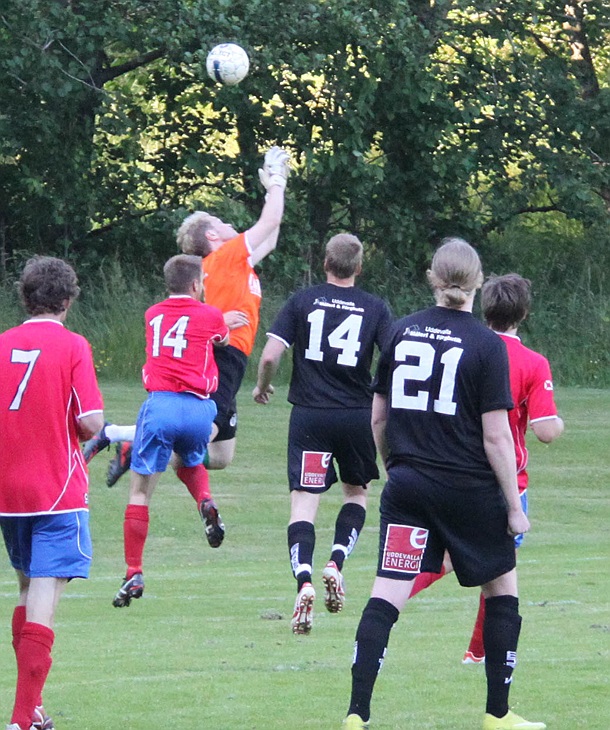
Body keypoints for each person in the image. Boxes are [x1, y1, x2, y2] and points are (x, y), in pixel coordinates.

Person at [342, 238, 547, 730]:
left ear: (432, 277)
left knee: (386, 594)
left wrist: (397, 468)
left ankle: (356, 713)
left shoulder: (400, 331)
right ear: (478, 281)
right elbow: (497, 437)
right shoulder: (487, 344)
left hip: (408, 486)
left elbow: (378, 418)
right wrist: (513, 507)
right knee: (502, 591)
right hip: (470, 490)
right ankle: (498, 714)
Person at [82, 146, 291, 543]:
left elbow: (272, 232)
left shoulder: (234, 261)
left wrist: (274, 192)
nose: (230, 225)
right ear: (213, 237)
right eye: (222, 222)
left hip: (231, 355)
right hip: (223, 354)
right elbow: (270, 221)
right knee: (198, 432)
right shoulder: (225, 257)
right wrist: (276, 181)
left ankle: (130, 442)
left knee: (220, 457)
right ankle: (124, 437)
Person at [407, 273, 565, 664]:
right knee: (497, 568)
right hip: (505, 480)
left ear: (484, 307)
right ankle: (472, 649)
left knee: (458, 558)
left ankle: (395, 602)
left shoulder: (465, 346)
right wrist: (558, 423)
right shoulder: (532, 362)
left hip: (455, 469)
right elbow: (545, 431)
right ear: (524, 314)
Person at [253, 234, 393, 634]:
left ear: (325, 263)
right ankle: (336, 561)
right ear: (359, 267)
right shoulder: (375, 307)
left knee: (304, 502)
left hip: (310, 418)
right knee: (356, 494)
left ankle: (304, 580)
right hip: (355, 417)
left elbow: (270, 355)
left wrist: (263, 386)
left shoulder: (303, 300)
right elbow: (393, 358)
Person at [0, 256, 104, 730]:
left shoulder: (3, 344)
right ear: (67, 300)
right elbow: (90, 421)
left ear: (26, 297)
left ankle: (34, 708)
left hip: (8, 492)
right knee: (44, 593)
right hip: (55, 489)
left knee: (25, 588)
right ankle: (22, 718)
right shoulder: (73, 345)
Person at [111, 254, 229, 607]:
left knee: (139, 492)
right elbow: (222, 339)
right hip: (200, 409)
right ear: (195, 284)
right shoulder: (211, 314)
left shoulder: (152, 314)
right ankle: (205, 501)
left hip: (161, 405)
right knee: (188, 461)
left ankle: (133, 571)